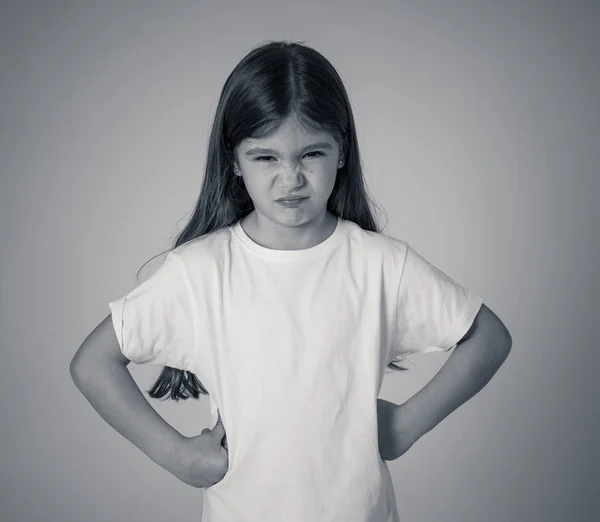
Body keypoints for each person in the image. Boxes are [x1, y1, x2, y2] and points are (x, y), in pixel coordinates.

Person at [70, 40, 512, 522]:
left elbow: (487, 337)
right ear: (234, 161)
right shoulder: (200, 273)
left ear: (342, 152)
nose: (291, 178)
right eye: (266, 158)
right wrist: (176, 454)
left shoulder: (379, 265)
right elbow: (93, 364)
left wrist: (405, 426)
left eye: (312, 154)